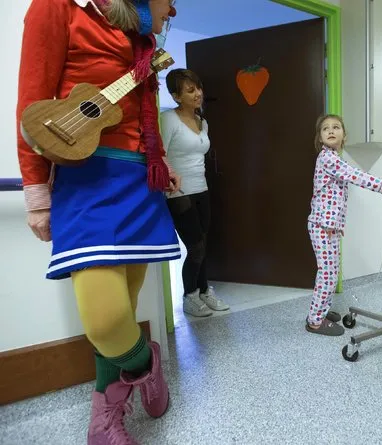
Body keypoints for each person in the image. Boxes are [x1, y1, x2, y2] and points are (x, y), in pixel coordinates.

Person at [16, 0, 180, 443]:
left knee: (121, 311)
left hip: (139, 179)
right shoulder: (57, 6)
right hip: (85, 177)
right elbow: (32, 106)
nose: (174, 9)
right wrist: (36, 193)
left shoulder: (143, 32)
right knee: (106, 322)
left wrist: (159, 163)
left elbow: (144, 108)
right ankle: (147, 364)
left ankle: (105, 416)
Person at [306, 114, 382, 336]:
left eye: (336, 127)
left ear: (344, 135)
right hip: (322, 227)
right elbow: (356, 176)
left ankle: (322, 310)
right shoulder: (327, 159)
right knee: (326, 274)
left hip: (330, 227)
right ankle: (315, 320)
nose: (331, 130)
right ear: (320, 137)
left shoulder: (336, 158)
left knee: (331, 273)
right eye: (326, 128)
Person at [161, 68, 230, 317]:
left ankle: (204, 291)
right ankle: (190, 296)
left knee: (203, 243)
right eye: (190, 90)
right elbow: (159, 154)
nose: (198, 93)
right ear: (176, 96)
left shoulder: (203, 122)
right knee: (196, 246)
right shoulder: (169, 119)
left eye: (198, 88)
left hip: (202, 189)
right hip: (178, 193)